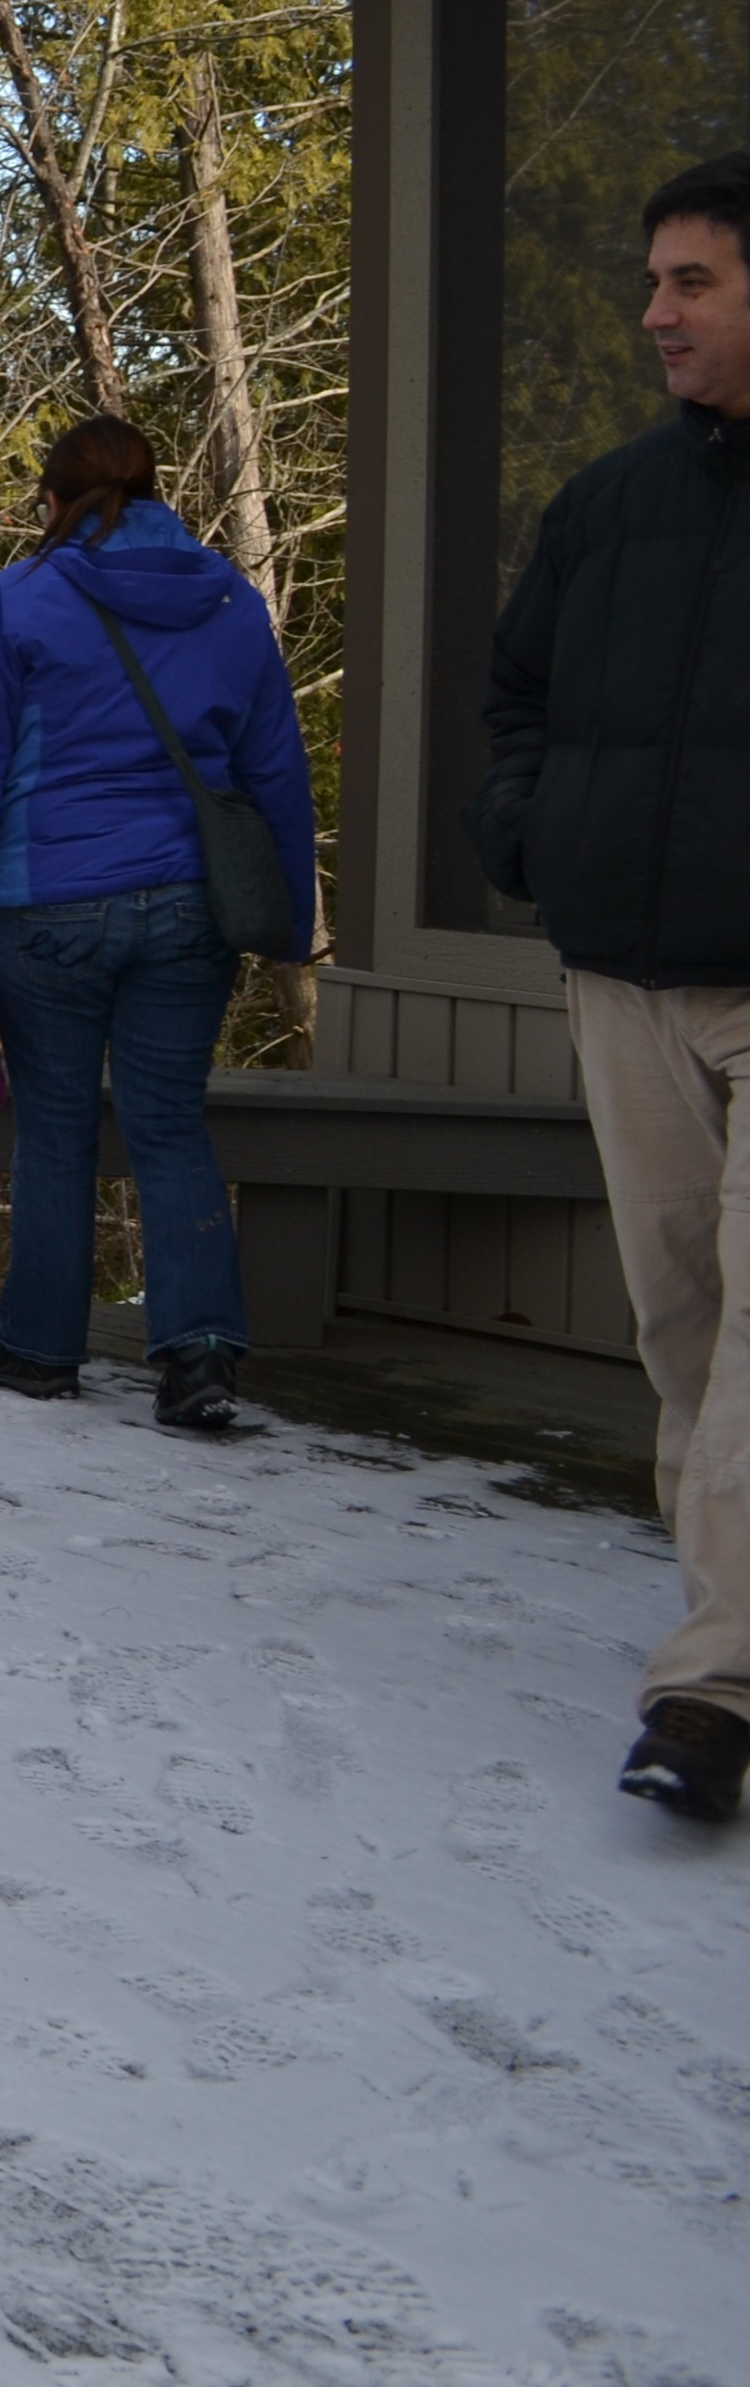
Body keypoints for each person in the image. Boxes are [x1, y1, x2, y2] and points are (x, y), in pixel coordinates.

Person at [473, 146, 750, 1827]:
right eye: (650, 280)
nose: (652, 311)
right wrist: (529, 835)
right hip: (620, 976)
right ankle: (719, 1623)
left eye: (690, 281)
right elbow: (512, 690)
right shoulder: (608, 504)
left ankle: (709, 1688)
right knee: (677, 1321)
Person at [0, 415, 315, 1435]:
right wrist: (287, 920)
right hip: (191, 907)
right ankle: (200, 1356)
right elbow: (275, 776)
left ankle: (41, 1350)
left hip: (52, 906)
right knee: (170, 1122)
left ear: (55, 503)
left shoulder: (19, 600)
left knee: (55, 1126)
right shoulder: (231, 602)